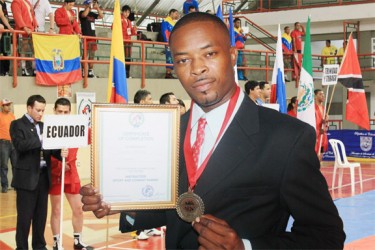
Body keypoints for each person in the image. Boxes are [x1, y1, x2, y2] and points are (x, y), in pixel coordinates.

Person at [80, 12, 345, 249]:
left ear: (231, 56)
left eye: (209, 54)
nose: (197, 69)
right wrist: (122, 203)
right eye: (183, 60)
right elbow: (174, 208)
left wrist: (247, 247)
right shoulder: (167, 133)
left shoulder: (286, 138)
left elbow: (326, 236)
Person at [10, 95, 68, 250]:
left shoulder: (44, 126)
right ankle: (21, 247)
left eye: (43, 110)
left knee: (40, 217)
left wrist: (59, 153)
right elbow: (20, 146)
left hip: (43, 177)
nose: (40, 113)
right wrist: (41, 138)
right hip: (26, 179)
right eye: (38, 110)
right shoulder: (17, 124)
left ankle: (39, 246)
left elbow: (51, 148)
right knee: (24, 218)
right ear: (29, 108)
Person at [49, 98, 93, 250]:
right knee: (56, 210)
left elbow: (95, 134)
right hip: (55, 174)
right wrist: (58, 163)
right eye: (59, 111)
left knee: (79, 209)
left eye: (66, 112)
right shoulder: (49, 128)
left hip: (72, 174)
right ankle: (56, 242)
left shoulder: (78, 127)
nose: (62, 114)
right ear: (54, 111)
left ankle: (78, 241)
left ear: (70, 112)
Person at [11, 0, 38, 76]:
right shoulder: (16, 2)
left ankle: (34, 67)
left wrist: (35, 25)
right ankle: (23, 68)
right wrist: (24, 27)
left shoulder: (27, 2)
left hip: (31, 29)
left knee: (34, 48)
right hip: (22, 29)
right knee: (23, 47)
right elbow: (17, 15)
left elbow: (32, 15)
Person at [79, 0, 104, 78]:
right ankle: (83, 71)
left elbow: (101, 16)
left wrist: (97, 8)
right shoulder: (81, 13)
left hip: (93, 37)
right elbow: (84, 15)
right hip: (86, 37)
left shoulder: (93, 14)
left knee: (92, 55)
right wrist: (89, 7)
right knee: (85, 55)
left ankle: (90, 71)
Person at [0, 98, 17, 193]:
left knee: (15, 165)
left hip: (13, 143)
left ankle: (15, 185)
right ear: (2, 106)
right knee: (4, 166)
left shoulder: (12, 116)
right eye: (6, 105)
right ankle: (4, 186)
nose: (9, 106)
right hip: (3, 143)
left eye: (9, 104)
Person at [161, 9, 179, 79]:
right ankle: (168, 73)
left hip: (175, 43)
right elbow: (165, 32)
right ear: (171, 13)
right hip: (169, 43)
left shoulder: (174, 23)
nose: (177, 15)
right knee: (169, 57)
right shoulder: (166, 21)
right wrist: (167, 42)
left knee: (174, 58)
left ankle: (170, 72)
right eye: (176, 13)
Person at [120, 5, 137, 78]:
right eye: (125, 12)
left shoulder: (129, 21)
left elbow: (131, 32)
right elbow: (113, 27)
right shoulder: (119, 19)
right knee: (123, 58)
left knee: (128, 58)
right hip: (122, 41)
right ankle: (123, 74)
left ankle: (127, 74)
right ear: (122, 12)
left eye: (128, 12)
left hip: (128, 41)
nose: (127, 14)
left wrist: (134, 29)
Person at [314, 89, 328, 161]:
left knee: (320, 157)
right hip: (315, 136)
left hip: (322, 137)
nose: (323, 96)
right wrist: (318, 131)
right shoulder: (312, 108)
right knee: (314, 157)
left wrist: (326, 123)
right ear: (315, 96)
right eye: (320, 94)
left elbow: (325, 124)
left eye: (323, 94)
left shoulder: (323, 108)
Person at [0, 0, 13, 76]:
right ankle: (2, 71)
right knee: (1, 50)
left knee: (5, 50)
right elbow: (1, 15)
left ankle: (5, 71)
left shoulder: (4, 3)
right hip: (2, 29)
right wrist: (9, 27)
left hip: (4, 31)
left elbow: (5, 17)